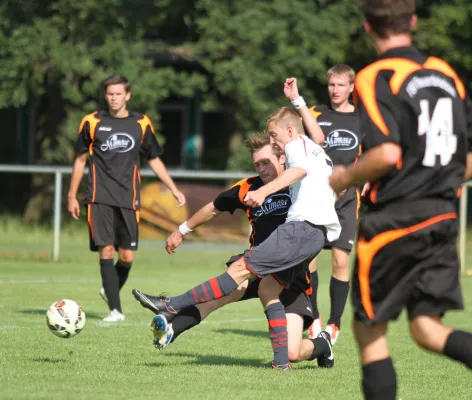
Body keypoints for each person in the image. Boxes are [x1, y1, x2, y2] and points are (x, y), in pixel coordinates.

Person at [329, 1, 472, 398]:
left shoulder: (375, 75)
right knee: (427, 329)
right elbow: (467, 159)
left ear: (367, 26)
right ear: (412, 21)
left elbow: (386, 154)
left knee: (369, 328)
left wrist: (343, 177)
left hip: (395, 220)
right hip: (443, 216)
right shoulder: (447, 75)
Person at [133, 107, 341, 370]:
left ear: (282, 157)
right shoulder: (247, 187)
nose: (262, 168)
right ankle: (173, 326)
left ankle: (320, 345)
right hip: (259, 263)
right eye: (257, 164)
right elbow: (212, 208)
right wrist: (181, 230)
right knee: (231, 286)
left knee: (294, 351)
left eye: (266, 162)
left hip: (292, 274)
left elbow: (311, 179)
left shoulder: (296, 181)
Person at [67, 74, 186, 322]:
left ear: (127, 95)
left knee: (127, 257)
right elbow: (79, 160)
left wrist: (173, 188)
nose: (114, 98)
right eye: (110, 94)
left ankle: (109, 289)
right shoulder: (91, 122)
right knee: (106, 250)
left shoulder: (141, 123)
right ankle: (115, 310)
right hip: (99, 197)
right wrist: (71, 195)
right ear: (105, 95)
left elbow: (153, 158)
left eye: (118, 94)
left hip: (129, 198)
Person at [284, 67, 362, 344]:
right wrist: (297, 99)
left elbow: (374, 154)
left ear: (352, 86)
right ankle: (313, 317)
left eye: (341, 84)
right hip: (315, 196)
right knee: (310, 259)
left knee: (341, 260)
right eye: (331, 84)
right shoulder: (315, 112)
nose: (335, 89)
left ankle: (335, 324)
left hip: (347, 199)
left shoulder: (363, 118)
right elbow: (296, 138)